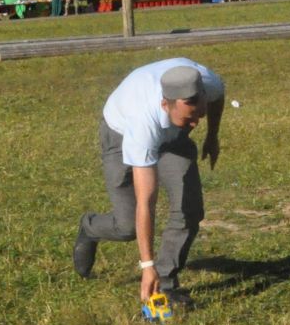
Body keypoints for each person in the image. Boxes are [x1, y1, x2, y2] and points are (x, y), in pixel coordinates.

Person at [73, 58, 226, 311]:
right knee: (127, 225)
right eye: (190, 119)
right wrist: (147, 266)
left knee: (189, 207)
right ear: (165, 105)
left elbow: (218, 95)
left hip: (170, 133)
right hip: (120, 133)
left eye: (199, 115)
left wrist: (212, 135)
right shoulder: (141, 124)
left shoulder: (205, 83)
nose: (195, 124)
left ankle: (165, 282)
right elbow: (147, 200)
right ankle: (90, 228)